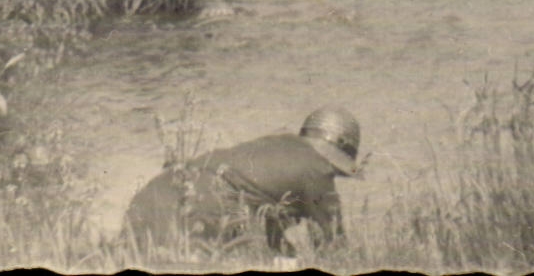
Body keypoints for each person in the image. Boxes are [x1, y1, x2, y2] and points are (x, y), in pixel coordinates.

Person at [122, 106, 361, 256]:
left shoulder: (276, 147)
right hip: (198, 209)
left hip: (158, 192)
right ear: (336, 153)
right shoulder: (316, 169)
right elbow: (337, 248)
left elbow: (273, 234)